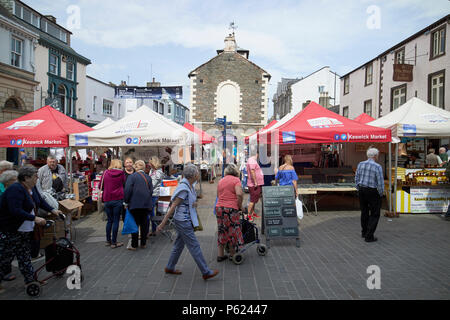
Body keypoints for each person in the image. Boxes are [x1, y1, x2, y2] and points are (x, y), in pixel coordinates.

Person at [0, 166, 62, 294]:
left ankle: (30, 280)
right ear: (26, 178)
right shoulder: (15, 189)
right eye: (35, 176)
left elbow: (39, 201)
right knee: (5, 259)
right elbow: (15, 210)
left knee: (24, 257)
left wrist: (52, 210)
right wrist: (34, 218)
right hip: (11, 230)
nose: (37, 178)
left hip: (23, 230)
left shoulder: (30, 188)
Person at [156, 164, 219, 280]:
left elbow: (184, 202)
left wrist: (193, 204)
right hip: (183, 220)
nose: (199, 175)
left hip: (182, 220)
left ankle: (170, 266)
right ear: (194, 175)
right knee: (194, 245)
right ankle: (205, 271)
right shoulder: (184, 188)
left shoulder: (188, 185)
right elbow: (173, 206)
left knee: (179, 244)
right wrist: (162, 223)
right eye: (198, 173)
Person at [215, 164, 244, 262]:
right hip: (231, 208)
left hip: (219, 208)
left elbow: (218, 195)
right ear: (236, 172)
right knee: (232, 230)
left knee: (222, 229)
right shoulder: (236, 180)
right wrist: (240, 206)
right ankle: (232, 254)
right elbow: (239, 194)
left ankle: (220, 254)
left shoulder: (221, 181)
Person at [355, 148, 384, 243]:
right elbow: (380, 182)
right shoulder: (377, 166)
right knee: (375, 213)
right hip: (372, 191)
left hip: (362, 190)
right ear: (375, 156)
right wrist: (381, 193)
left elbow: (357, 178)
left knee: (364, 212)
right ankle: (369, 235)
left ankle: (364, 232)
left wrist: (358, 188)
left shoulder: (360, 164)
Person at [124, 160, 153, 250]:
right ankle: (143, 243)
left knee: (135, 224)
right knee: (144, 224)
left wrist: (126, 202)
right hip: (146, 204)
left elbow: (127, 190)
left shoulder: (132, 177)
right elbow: (151, 191)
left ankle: (134, 244)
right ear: (143, 167)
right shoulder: (148, 177)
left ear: (135, 167)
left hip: (134, 204)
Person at [100, 159, 126, 249]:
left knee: (109, 220)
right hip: (118, 199)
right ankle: (114, 242)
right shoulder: (122, 173)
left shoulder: (105, 173)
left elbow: (101, 185)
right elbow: (124, 183)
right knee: (116, 220)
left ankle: (108, 240)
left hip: (107, 199)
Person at [246, 148, 265, 221]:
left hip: (255, 184)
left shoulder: (252, 160)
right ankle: (248, 216)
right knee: (252, 200)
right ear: (257, 154)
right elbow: (252, 171)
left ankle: (252, 213)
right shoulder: (252, 160)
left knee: (254, 200)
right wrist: (256, 182)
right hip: (254, 184)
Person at [148, 156, 164, 237]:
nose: (148, 164)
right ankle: (153, 230)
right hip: (150, 193)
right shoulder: (152, 170)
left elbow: (153, 184)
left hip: (154, 194)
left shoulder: (158, 172)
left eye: (150, 163)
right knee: (151, 213)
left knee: (149, 212)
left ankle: (151, 230)